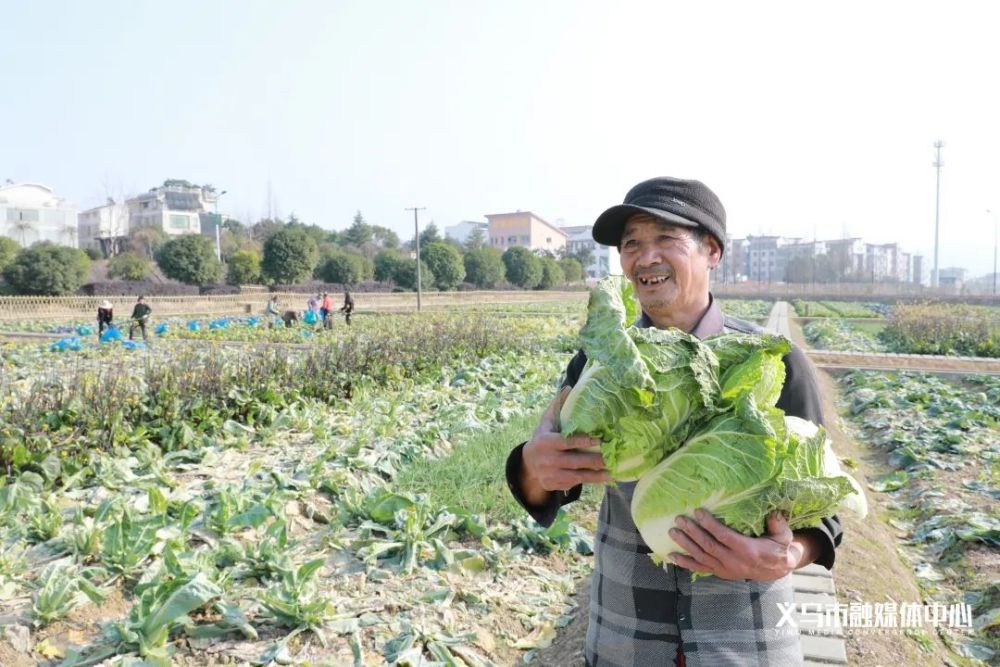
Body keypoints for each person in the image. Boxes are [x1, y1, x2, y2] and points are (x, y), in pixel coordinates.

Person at [505, 177, 842, 667]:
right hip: (626, 632)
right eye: (631, 244)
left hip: (744, 638)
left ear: (712, 251)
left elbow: (824, 504)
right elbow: (549, 488)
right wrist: (534, 468)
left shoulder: (771, 360)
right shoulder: (598, 362)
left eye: (666, 239)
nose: (646, 258)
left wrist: (788, 556)